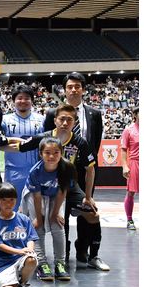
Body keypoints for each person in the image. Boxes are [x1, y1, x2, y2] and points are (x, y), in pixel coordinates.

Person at [21, 103, 109, 271]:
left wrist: (88, 197)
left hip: (67, 185)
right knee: (44, 223)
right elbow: (19, 146)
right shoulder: (44, 138)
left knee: (93, 215)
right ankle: (47, 260)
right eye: (62, 119)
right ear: (55, 120)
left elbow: (90, 169)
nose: (65, 123)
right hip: (43, 187)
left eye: (69, 120)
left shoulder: (80, 143)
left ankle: (93, 256)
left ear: (74, 122)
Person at [43, 72, 108, 271]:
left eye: (77, 86)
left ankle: (84, 251)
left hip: (85, 171)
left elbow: (94, 143)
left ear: (83, 89)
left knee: (86, 210)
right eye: (70, 86)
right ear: (64, 90)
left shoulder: (94, 114)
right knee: (61, 213)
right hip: (60, 172)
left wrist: (87, 165)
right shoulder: (52, 113)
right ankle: (63, 254)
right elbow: (46, 141)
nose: (73, 90)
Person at [20, 137, 75, 282]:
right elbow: (36, 196)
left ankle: (60, 263)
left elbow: (62, 192)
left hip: (55, 195)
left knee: (58, 225)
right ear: (41, 154)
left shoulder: (67, 168)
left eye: (56, 152)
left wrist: (55, 213)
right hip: (36, 196)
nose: (51, 156)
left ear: (61, 153)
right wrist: (39, 218)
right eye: (47, 152)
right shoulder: (35, 171)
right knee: (38, 227)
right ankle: (42, 264)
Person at [0, 182, 39, 287]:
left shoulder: (24, 219)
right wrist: (19, 251)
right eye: (4, 200)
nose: (8, 203)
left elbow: (31, 238)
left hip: (22, 258)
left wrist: (29, 250)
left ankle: (23, 284)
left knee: (31, 259)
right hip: (4, 263)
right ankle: (15, 284)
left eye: (11, 200)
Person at [1, 85, 45, 209]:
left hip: (36, 170)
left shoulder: (42, 120)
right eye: (19, 98)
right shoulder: (5, 120)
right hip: (13, 172)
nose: (23, 101)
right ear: (13, 101)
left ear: (32, 101)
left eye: (27, 98)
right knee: (12, 206)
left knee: (35, 208)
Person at [120, 107, 139, 232]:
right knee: (131, 192)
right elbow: (123, 149)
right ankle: (129, 220)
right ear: (135, 115)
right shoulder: (129, 130)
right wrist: (125, 166)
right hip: (135, 163)